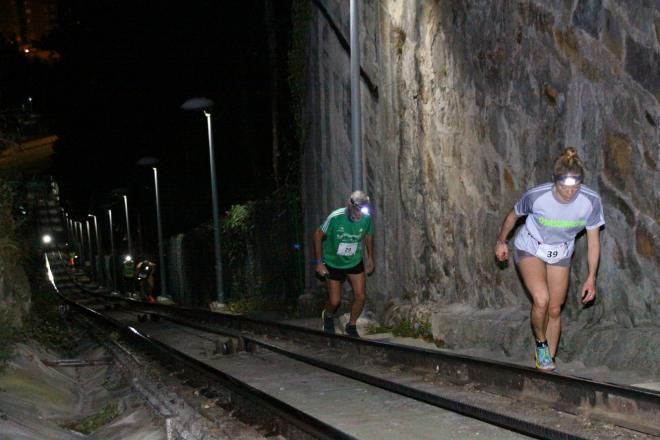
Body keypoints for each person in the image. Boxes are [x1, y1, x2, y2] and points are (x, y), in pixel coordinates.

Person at [495, 147, 605, 370]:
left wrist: (591, 277)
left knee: (555, 309)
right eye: (564, 186)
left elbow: (594, 241)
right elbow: (513, 215)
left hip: (561, 252)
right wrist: (501, 241)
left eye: (575, 186)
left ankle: (548, 361)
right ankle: (541, 343)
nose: (569, 192)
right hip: (531, 248)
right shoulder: (537, 196)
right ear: (555, 181)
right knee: (542, 300)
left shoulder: (590, 201)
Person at [314, 190, 375, 337]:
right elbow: (317, 235)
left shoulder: (366, 218)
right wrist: (319, 262)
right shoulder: (336, 217)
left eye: (364, 210)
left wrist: (370, 257)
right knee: (335, 302)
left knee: (360, 296)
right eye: (358, 210)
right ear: (351, 205)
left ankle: (351, 325)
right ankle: (328, 315)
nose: (361, 214)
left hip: (354, 261)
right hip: (333, 262)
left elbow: (368, 235)